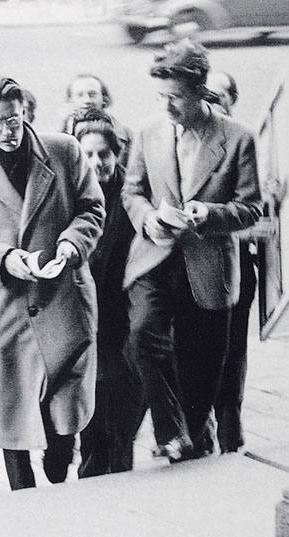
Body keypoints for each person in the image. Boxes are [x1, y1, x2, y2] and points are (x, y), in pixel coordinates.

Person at [0, 76, 106, 490]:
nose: (7, 131)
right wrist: (5, 259)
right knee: (9, 407)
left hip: (62, 299)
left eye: (13, 120)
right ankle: (23, 496)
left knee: (64, 413)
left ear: (25, 113)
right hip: (4, 305)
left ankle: (59, 453)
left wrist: (71, 245)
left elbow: (92, 208)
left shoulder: (63, 151)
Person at [121, 39, 262, 462]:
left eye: (176, 98)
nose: (166, 108)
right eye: (160, 97)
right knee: (144, 332)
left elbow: (250, 209)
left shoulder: (237, 139)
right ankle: (169, 430)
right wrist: (147, 218)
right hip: (155, 255)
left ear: (200, 91)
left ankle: (192, 443)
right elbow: (132, 190)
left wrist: (209, 214)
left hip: (207, 267)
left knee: (202, 370)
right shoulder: (148, 131)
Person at [74, 109, 144, 477]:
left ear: (117, 155)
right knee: (91, 435)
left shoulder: (130, 198)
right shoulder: (72, 196)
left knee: (119, 432)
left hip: (124, 333)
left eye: (103, 154)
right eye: (87, 155)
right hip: (87, 333)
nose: (96, 162)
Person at [205, 70, 254, 453]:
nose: (212, 101)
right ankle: (201, 427)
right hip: (194, 266)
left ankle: (229, 428)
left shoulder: (241, 139)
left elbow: (257, 208)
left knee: (231, 350)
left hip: (236, 260)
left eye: (219, 95)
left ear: (231, 100)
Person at [61, 73, 132, 167]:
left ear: (104, 99)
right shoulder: (61, 136)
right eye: (80, 95)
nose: (87, 100)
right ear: (70, 100)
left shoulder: (125, 134)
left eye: (92, 95)